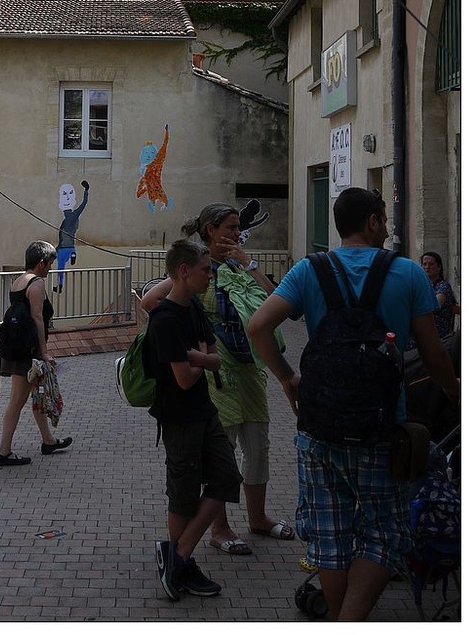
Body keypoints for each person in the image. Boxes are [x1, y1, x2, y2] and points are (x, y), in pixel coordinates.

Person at [247, 187, 460, 621]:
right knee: (384, 533)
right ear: (373, 222)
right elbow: (435, 355)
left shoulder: (309, 271)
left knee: (329, 538)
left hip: (319, 428)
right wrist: (457, 393)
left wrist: (288, 379)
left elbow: (257, 326)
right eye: (383, 217)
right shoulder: (407, 274)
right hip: (382, 430)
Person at [144, 203, 293, 555]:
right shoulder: (199, 266)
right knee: (221, 453)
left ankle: (258, 518)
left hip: (251, 372)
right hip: (216, 376)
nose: (236, 233)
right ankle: (220, 529)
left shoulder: (241, 265)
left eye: (239, 227)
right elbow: (151, 302)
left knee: (258, 448)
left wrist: (247, 262)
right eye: (230, 227)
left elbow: (278, 300)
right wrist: (189, 348)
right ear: (210, 230)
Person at [144, 238, 243, 601]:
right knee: (183, 496)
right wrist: (200, 359)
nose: (209, 276)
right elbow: (184, 379)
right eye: (204, 270)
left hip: (205, 412)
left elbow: (215, 359)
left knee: (227, 478)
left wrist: (195, 356)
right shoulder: (164, 319)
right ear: (184, 272)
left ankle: (178, 556)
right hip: (180, 418)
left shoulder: (196, 311)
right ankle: (179, 564)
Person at [0, 241, 72, 466]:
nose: (50, 268)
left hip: (16, 348)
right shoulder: (36, 283)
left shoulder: (18, 281)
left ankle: (48, 441)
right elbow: (38, 318)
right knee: (17, 400)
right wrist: (44, 352)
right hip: (28, 353)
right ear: (41, 263)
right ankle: (3, 452)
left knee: (36, 394)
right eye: (49, 264)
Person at [420, 251, 457, 338]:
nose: (427, 267)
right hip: (423, 329)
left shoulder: (443, 286)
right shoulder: (422, 285)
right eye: (424, 264)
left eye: (431, 264)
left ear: (439, 267)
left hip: (436, 335)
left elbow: (434, 306)